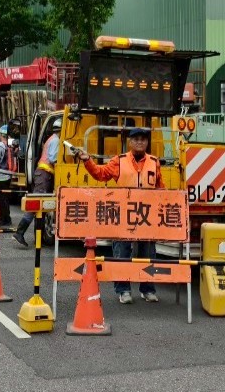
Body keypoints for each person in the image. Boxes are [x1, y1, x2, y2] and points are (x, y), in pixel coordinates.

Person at [76, 127, 162, 304]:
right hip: (123, 216)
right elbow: (100, 174)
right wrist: (87, 161)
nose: (140, 142)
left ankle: (148, 289)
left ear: (147, 142)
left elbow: (161, 188)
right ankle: (123, 290)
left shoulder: (154, 162)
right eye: (136, 139)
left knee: (149, 252)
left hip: (146, 217)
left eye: (143, 139)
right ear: (130, 142)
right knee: (122, 252)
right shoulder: (119, 161)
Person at [14, 123, 61, 248]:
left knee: (42, 207)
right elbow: (52, 159)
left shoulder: (51, 139)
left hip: (43, 174)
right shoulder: (56, 140)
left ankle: (39, 238)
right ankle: (20, 232)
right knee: (37, 205)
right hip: (44, 174)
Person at [0, 125, 16, 227]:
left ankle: (4, 219)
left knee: (0, 199)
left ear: (1, 134)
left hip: (0, 175)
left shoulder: (0, 145)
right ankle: (6, 218)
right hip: (8, 175)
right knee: (5, 199)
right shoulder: (10, 144)